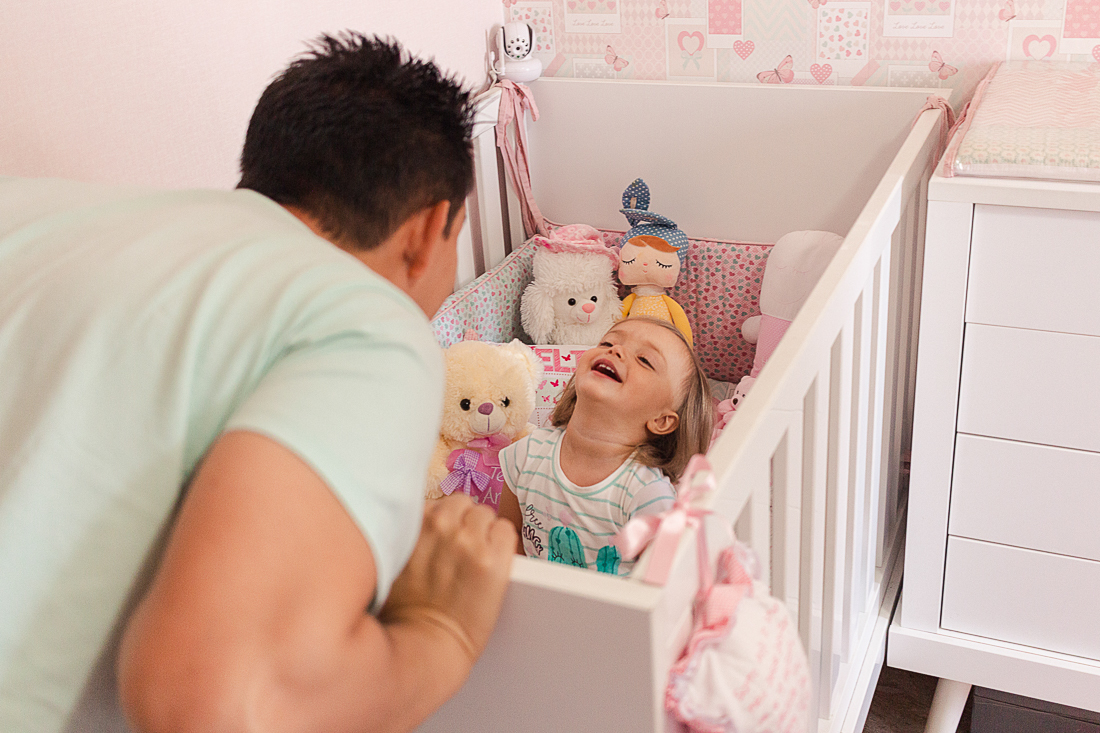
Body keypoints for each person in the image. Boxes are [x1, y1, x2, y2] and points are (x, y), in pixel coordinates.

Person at [0, 33, 515, 733]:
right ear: (430, 230)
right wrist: (438, 633)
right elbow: (219, 699)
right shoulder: (369, 322)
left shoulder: (38, 212)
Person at [497, 318, 712, 575]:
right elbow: (507, 541)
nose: (615, 351)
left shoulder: (646, 494)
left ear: (662, 420)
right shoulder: (528, 453)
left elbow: (661, 587)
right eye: (607, 342)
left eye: (644, 360)